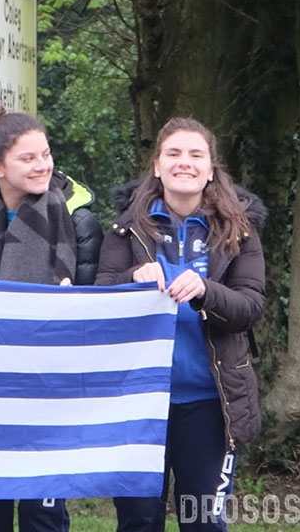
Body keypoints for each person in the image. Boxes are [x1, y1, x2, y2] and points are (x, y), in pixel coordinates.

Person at [94, 117, 266, 532]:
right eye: (173, 154)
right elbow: (100, 298)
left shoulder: (238, 231)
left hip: (210, 401)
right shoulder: (125, 229)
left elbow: (250, 305)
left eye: (195, 155)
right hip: (139, 402)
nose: (183, 162)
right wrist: (130, 281)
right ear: (157, 166)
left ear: (211, 169)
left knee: (203, 521)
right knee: (138, 520)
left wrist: (207, 290)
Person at [0, 102, 103, 532]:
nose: (42, 166)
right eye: (28, 158)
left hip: (49, 381)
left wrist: (73, 303)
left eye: (46, 154)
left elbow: (96, 303)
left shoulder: (78, 221)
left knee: (44, 510)